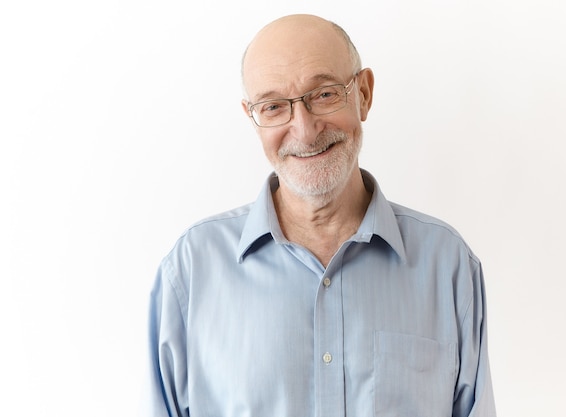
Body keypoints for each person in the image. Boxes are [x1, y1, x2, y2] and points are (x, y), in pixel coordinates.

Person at [146, 13, 496, 417]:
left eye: (325, 94)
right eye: (274, 106)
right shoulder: (191, 270)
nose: (305, 129)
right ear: (253, 118)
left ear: (363, 93)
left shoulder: (447, 265)